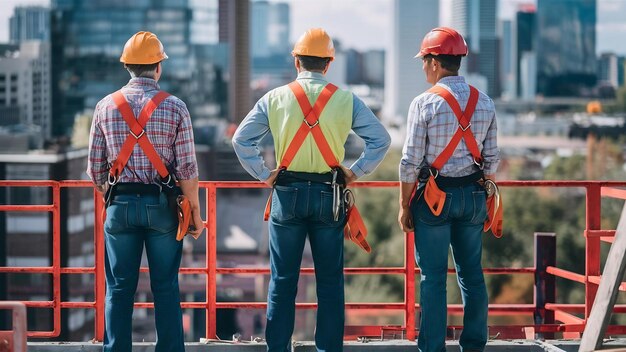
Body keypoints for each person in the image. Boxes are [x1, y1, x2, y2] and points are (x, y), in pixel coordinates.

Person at [233, 28, 390, 352]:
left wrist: (264, 175)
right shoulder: (345, 99)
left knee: (282, 282)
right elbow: (381, 140)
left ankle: (278, 348)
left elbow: (240, 139)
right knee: (330, 282)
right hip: (327, 196)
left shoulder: (275, 97)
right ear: (329, 64)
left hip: (286, 194)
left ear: (296, 61)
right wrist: (355, 172)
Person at [87, 31, 203, 352]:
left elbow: (95, 169)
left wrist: (112, 201)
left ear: (127, 67)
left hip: (119, 205)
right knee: (165, 287)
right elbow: (187, 171)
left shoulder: (105, 106)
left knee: (119, 290)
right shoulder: (176, 107)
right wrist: (194, 213)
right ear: (158, 68)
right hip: (161, 206)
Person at [397, 27, 500, 352]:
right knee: (471, 273)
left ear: (434, 62)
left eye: (424, 61)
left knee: (433, 277)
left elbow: (410, 162)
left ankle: (432, 348)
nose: (423, 67)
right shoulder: (483, 102)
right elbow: (493, 159)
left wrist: (404, 205)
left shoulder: (424, 103)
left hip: (434, 199)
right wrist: (481, 192)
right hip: (472, 196)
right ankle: (473, 346)